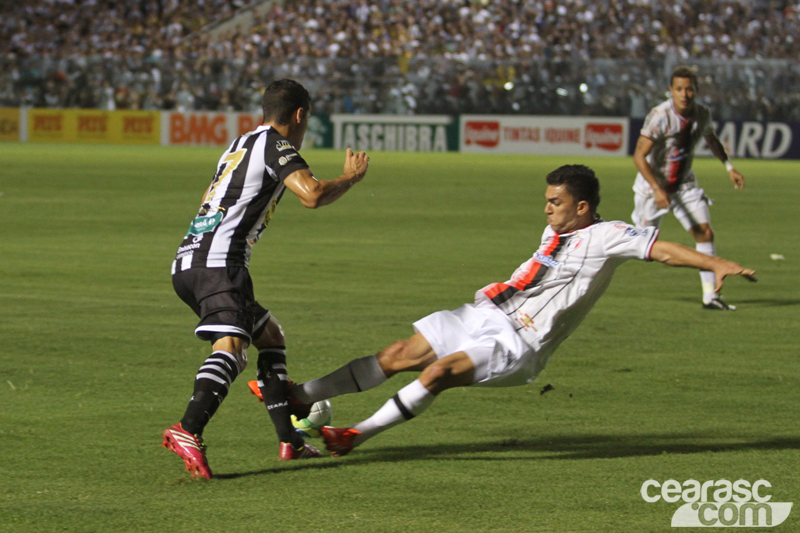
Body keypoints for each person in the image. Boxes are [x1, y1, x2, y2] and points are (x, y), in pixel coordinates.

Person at [281, 165, 755, 456]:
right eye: (547, 200)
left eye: (556, 202)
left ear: (583, 206)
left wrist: (716, 263)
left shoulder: (607, 235)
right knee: (399, 353)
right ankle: (300, 395)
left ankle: (355, 435)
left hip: (519, 341)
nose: (547, 208)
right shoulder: (557, 228)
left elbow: (665, 250)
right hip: (484, 311)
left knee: (439, 373)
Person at [162, 79, 369, 479]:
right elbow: (310, 194)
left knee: (270, 335)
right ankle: (188, 429)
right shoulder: (276, 144)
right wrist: (349, 178)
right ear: (299, 115)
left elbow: (209, 195)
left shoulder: (238, 145)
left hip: (190, 259)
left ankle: (289, 443)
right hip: (220, 263)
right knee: (234, 349)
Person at [632, 65, 746, 310]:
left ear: (696, 91)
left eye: (689, 89)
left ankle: (710, 296)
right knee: (641, 246)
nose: (684, 94)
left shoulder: (702, 114)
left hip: (684, 185)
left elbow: (711, 139)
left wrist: (729, 167)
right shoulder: (660, 116)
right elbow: (639, 155)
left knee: (704, 233)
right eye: (679, 89)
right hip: (653, 188)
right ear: (671, 91)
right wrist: (656, 189)